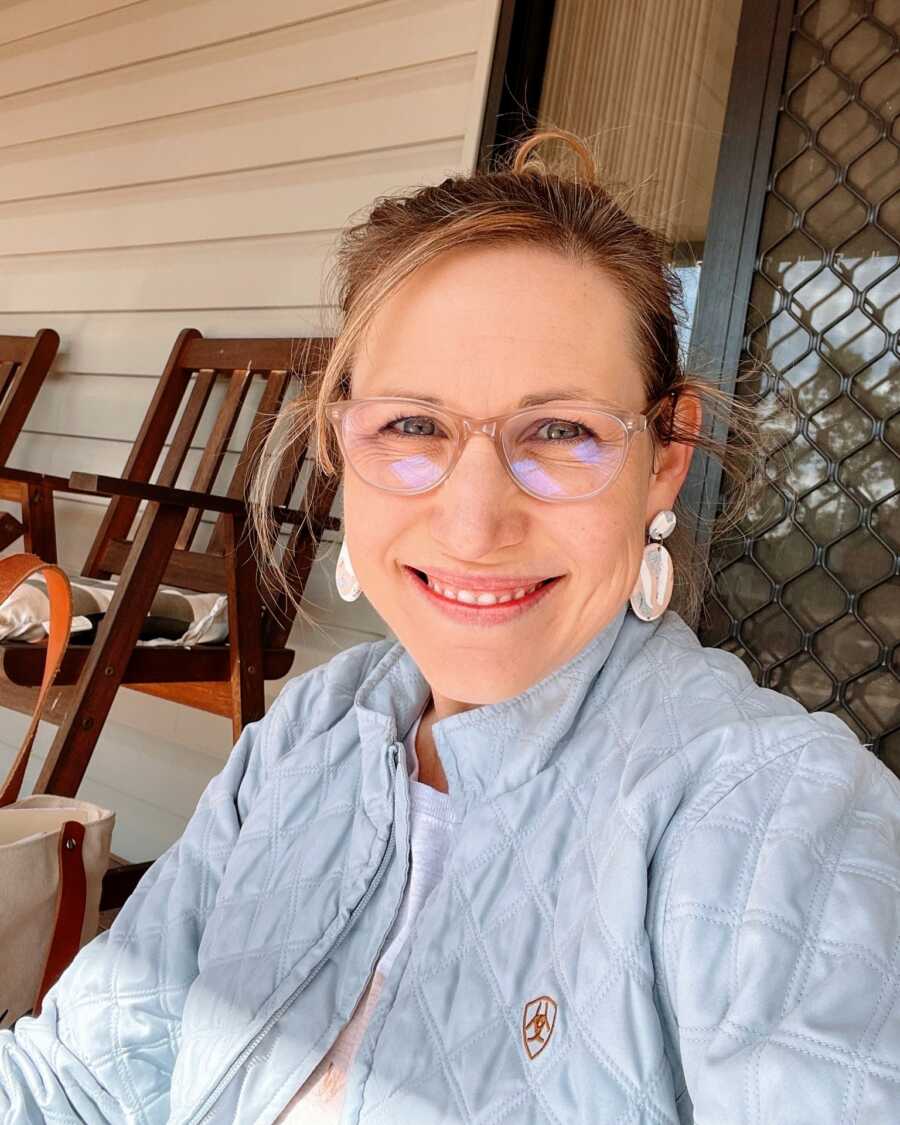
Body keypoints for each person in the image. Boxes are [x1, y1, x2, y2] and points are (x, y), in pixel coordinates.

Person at [2, 128, 898, 1125]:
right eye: (413, 426)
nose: (475, 524)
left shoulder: (779, 818)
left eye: (560, 432)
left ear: (667, 457)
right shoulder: (309, 735)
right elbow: (77, 1081)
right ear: (340, 444)